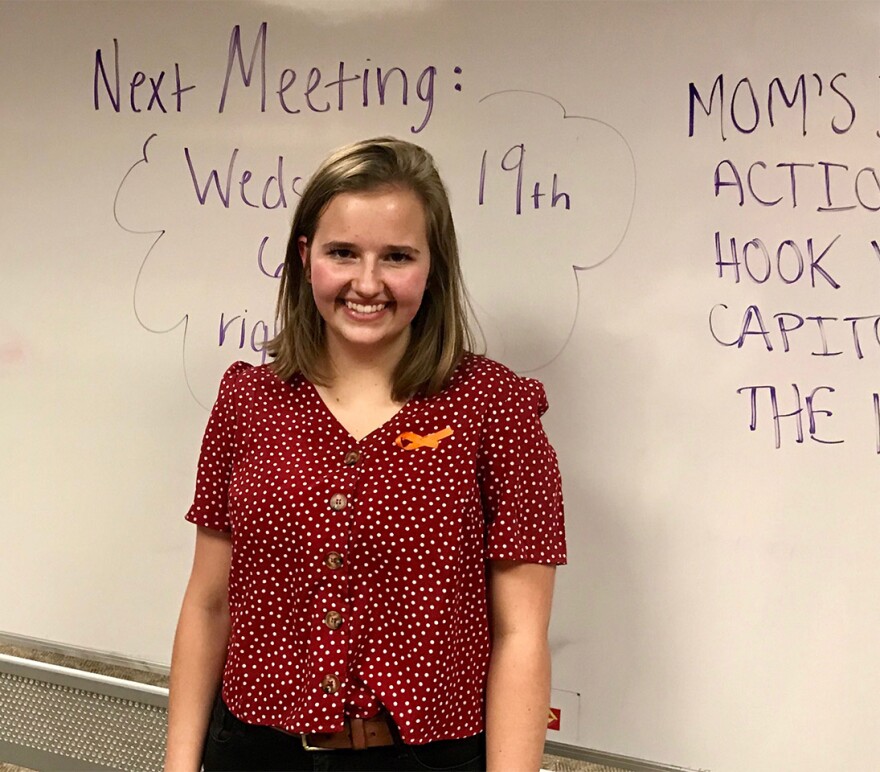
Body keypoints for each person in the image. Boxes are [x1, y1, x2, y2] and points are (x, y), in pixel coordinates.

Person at [164, 137, 566, 772]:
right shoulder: (247, 400)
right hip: (254, 750)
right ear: (306, 257)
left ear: (433, 266)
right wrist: (180, 766)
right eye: (343, 252)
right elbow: (209, 601)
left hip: (427, 757)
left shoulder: (497, 409)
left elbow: (520, 637)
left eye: (397, 256)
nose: (367, 283)